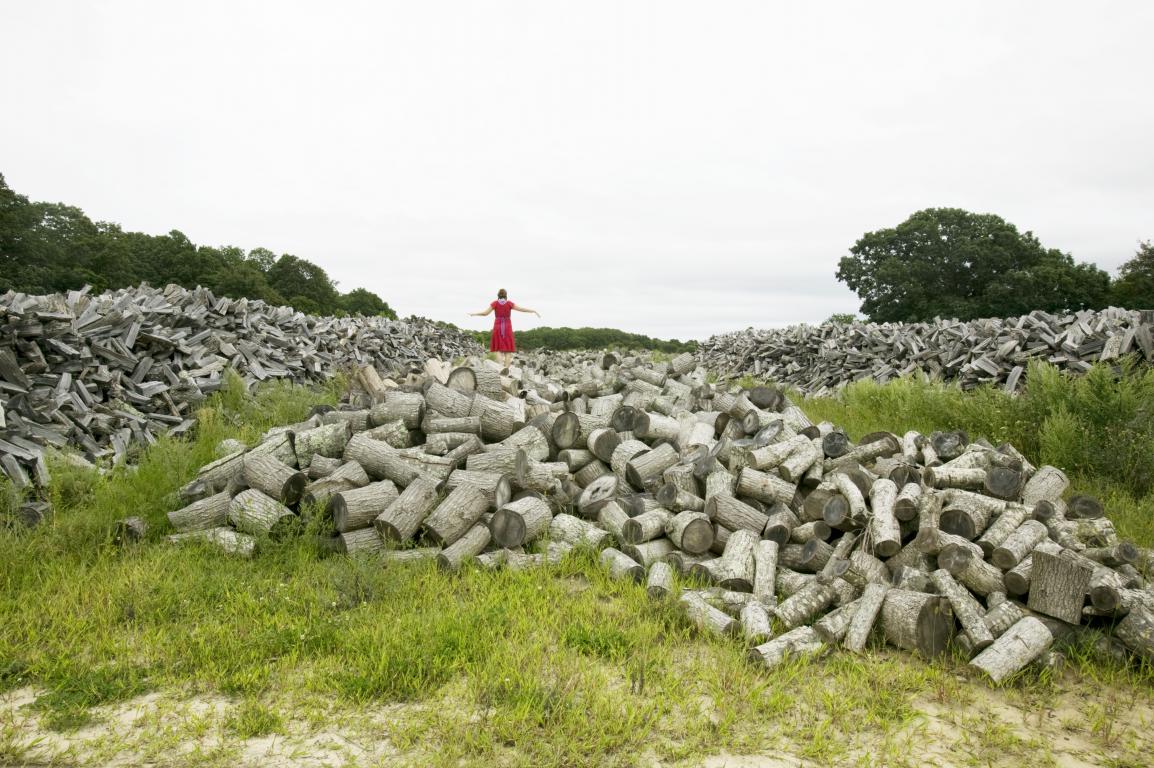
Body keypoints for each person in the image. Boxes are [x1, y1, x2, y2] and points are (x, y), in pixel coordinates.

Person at [468, 288, 539, 369]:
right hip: (507, 326)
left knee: (498, 348)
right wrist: (533, 311)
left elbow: (485, 313)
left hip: (498, 326)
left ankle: (500, 368)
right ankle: (506, 370)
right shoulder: (509, 303)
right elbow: (521, 309)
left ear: (498, 295)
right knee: (508, 350)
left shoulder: (495, 303)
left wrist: (474, 314)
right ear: (506, 296)